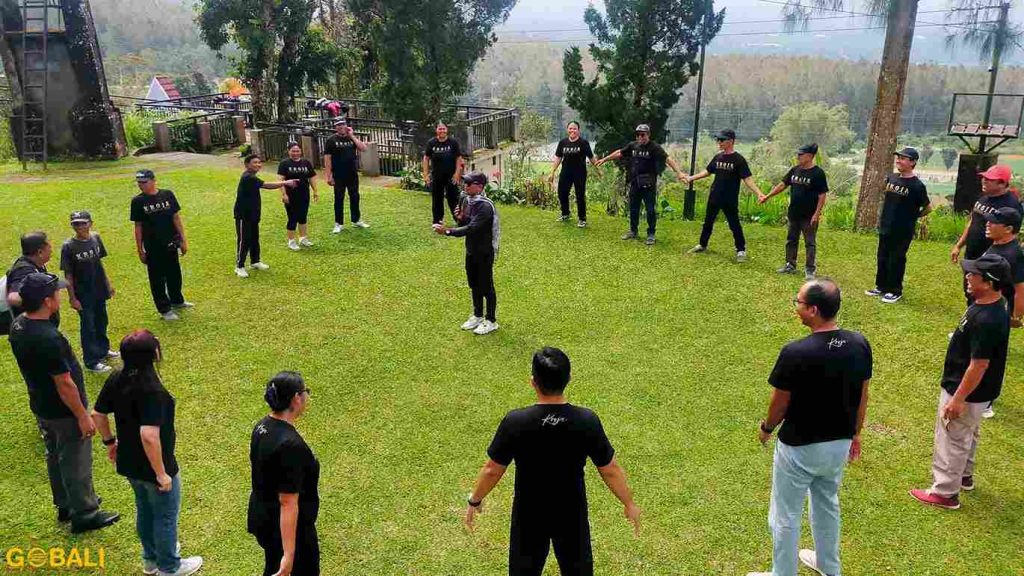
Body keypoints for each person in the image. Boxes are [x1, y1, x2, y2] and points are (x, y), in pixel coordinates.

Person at [464, 347, 641, 576]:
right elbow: (610, 469)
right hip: (571, 512)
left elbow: (492, 470)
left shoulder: (516, 421)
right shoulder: (586, 420)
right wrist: (629, 503)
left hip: (529, 513)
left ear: (533, 382)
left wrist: (475, 500)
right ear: (569, 379)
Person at [747, 278, 871, 576]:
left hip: (799, 448)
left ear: (813, 310)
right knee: (827, 504)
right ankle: (829, 567)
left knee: (785, 514)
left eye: (799, 302)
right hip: (839, 444)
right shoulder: (859, 344)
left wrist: (766, 428)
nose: (796, 307)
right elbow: (863, 394)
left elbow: (779, 404)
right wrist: (856, 433)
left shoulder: (795, 352)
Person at [7, 272, 120, 533]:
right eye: (55, 293)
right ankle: (85, 513)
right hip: (64, 411)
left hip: (42, 406)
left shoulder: (19, 325)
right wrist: (82, 415)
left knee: (55, 455)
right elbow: (64, 383)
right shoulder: (49, 338)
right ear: (47, 301)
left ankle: (65, 503)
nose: (59, 295)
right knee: (75, 460)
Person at [92, 330, 203, 576]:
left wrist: (110, 443)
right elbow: (149, 435)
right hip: (153, 466)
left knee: (145, 510)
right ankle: (169, 567)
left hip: (129, 462)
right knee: (165, 516)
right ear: (152, 354)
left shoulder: (117, 377)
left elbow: (98, 414)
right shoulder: (153, 391)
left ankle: (151, 559)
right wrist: (161, 473)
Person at [910, 253, 1011, 510]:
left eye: (973, 274)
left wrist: (958, 399)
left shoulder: (986, 319)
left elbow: (979, 365)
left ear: (988, 282)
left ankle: (945, 492)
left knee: (952, 436)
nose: (967, 276)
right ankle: (964, 475)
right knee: (968, 432)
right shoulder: (993, 304)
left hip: (966, 390)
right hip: (980, 392)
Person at [249, 371, 320, 576]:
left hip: (264, 517)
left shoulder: (262, 426)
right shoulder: (290, 446)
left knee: (272, 566)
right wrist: (289, 555)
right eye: (305, 392)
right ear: (296, 398)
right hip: (288, 530)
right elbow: (288, 502)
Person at [432, 171, 501, 335]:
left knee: (486, 286)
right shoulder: (467, 200)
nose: (465, 186)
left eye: (469, 184)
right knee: (474, 283)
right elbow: (466, 223)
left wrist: (447, 231)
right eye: (465, 182)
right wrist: (460, 217)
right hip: (471, 249)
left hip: (484, 252)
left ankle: (491, 320)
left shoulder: (485, 206)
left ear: (480, 187)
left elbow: (471, 228)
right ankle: (477, 315)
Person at [594, 124, 686, 245]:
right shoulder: (633, 145)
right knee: (633, 208)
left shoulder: (654, 148)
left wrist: (679, 173)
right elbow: (619, 153)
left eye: (643, 135)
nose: (640, 137)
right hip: (635, 182)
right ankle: (633, 231)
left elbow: (668, 159)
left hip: (649, 184)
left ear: (648, 135)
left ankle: (651, 234)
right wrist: (604, 159)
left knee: (650, 210)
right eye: (638, 135)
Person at [866, 147, 932, 304]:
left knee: (896, 259)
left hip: (903, 230)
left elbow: (928, 208)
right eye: (898, 157)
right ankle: (881, 286)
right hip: (886, 225)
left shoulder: (917, 186)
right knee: (882, 256)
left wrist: (913, 216)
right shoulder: (892, 178)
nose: (898, 160)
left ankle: (895, 290)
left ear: (913, 162)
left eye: (903, 158)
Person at [686, 129, 763, 262]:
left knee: (734, 224)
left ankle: (741, 250)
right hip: (715, 196)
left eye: (722, 140)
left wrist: (759, 193)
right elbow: (707, 171)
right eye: (718, 140)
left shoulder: (738, 160)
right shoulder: (718, 157)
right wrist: (691, 178)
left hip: (730, 199)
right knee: (708, 222)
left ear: (731, 141)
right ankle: (702, 244)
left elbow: (747, 179)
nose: (719, 142)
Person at [976, 207, 1024, 419]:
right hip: (982, 307)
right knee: (977, 352)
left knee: (991, 357)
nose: (987, 224)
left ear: (1008, 229)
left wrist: (1015, 316)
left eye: (993, 222)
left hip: (997, 313)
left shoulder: (1013, 254)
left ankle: (987, 401)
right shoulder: (996, 246)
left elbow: (1020, 288)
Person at [950, 164, 1023, 302]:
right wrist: (959, 245)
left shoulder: (1011, 206)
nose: (984, 181)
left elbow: (1011, 234)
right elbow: (972, 221)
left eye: (990, 179)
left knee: (986, 293)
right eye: (984, 178)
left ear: (1002, 183)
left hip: (990, 259)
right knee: (970, 291)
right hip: (972, 255)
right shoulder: (984, 198)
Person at [760, 144, 830, 280]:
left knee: (810, 243)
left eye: (800, 155)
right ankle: (790, 265)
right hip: (794, 213)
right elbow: (782, 185)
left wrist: (816, 214)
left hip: (809, 216)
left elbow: (822, 195)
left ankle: (810, 269)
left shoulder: (818, 173)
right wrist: (767, 196)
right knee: (791, 240)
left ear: (809, 156)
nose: (798, 157)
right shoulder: (795, 170)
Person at [130, 170, 192, 321]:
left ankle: (177, 300)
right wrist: (140, 250)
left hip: (171, 243)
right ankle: (164, 309)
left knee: (174, 274)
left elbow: (176, 218)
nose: (141, 185)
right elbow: (138, 226)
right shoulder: (138, 201)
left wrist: (183, 240)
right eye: (139, 183)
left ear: (153, 180)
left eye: (144, 182)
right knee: (157, 279)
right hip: (153, 246)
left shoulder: (167, 195)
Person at [60, 211, 118, 373]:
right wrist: (72, 298)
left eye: (83, 223)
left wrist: (108, 284)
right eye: (75, 224)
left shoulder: (96, 238)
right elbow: (68, 274)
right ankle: (91, 361)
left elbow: (99, 263)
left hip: (99, 289)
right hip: (83, 294)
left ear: (91, 223)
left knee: (102, 321)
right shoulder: (68, 246)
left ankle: (103, 350)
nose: (79, 227)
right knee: (88, 326)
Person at [234, 154, 299, 278]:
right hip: (243, 215)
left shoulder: (253, 176)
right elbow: (266, 185)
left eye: (259, 162)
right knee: (244, 240)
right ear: (247, 165)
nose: (258, 164)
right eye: (255, 162)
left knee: (254, 238)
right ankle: (239, 266)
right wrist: (285, 182)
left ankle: (255, 261)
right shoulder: (248, 177)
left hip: (253, 213)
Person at [323, 119, 370, 233]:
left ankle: (356, 220)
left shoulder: (351, 138)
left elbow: (363, 148)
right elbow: (327, 159)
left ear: (346, 126)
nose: (341, 127)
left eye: (342, 124)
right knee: (339, 198)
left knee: (355, 196)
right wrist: (329, 176)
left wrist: (352, 136)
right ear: (335, 127)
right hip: (338, 174)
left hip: (352, 173)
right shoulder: (331, 140)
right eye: (338, 125)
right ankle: (338, 223)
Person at [6, 231, 60, 326]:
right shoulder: (24, 270)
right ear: (40, 252)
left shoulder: (36, 264)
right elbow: (13, 298)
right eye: (49, 246)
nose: (51, 249)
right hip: (34, 327)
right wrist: (39, 302)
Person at [549, 121, 596, 228]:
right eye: (570, 128)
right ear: (567, 130)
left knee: (580, 195)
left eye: (574, 128)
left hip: (580, 173)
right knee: (562, 193)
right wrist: (552, 171)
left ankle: (582, 219)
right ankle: (565, 214)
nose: (572, 130)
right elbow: (558, 158)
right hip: (566, 172)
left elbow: (591, 157)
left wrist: (598, 168)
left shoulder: (583, 143)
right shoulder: (563, 142)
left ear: (578, 130)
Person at [278, 142, 320, 251]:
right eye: (293, 151)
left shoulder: (306, 163)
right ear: (289, 151)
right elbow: (281, 180)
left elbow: (311, 177)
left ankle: (303, 238)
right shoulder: (284, 163)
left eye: (297, 151)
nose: (295, 153)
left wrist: (315, 191)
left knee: (302, 216)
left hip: (304, 194)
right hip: (291, 195)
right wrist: (284, 194)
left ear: (301, 151)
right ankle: (291, 241)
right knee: (292, 217)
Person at [423, 122, 466, 224]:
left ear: (447, 130)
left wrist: (457, 174)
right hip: (437, 176)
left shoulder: (453, 143)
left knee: (453, 198)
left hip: (451, 176)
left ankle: (458, 219)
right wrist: (426, 174)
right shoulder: (431, 143)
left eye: (443, 129)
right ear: (436, 130)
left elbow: (458, 158)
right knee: (437, 199)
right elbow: (426, 158)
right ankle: (437, 221)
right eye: (440, 129)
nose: (442, 131)